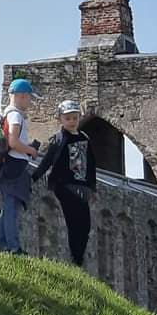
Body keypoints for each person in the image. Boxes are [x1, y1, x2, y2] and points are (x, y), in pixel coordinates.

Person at [33, 99, 97, 268]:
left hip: (81, 187)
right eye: (67, 118)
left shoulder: (84, 138)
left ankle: (78, 258)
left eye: (75, 118)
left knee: (85, 225)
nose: (72, 121)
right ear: (60, 119)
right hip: (64, 185)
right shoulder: (59, 138)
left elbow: (91, 165)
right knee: (73, 222)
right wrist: (34, 177)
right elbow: (47, 161)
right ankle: (75, 259)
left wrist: (92, 188)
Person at [0, 78, 42, 254]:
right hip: (14, 164)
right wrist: (31, 150)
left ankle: (3, 243)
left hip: (8, 163)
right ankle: (13, 246)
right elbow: (13, 142)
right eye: (29, 98)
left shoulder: (8, 114)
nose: (30, 102)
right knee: (11, 205)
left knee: (8, 205)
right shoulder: (15, 116)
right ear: (22, 96)